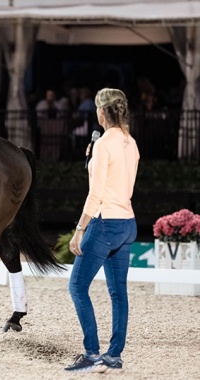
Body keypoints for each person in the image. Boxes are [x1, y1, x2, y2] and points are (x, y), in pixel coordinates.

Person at [64, 88, 140, 373]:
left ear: (100, 113)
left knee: (77, 286)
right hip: (127, 223)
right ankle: (114, 355)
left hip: (105, 221)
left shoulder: (103, 144)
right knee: (118, 292)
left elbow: (95, 194)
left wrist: (79, 229)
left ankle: (92, 352)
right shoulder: (130, 143)